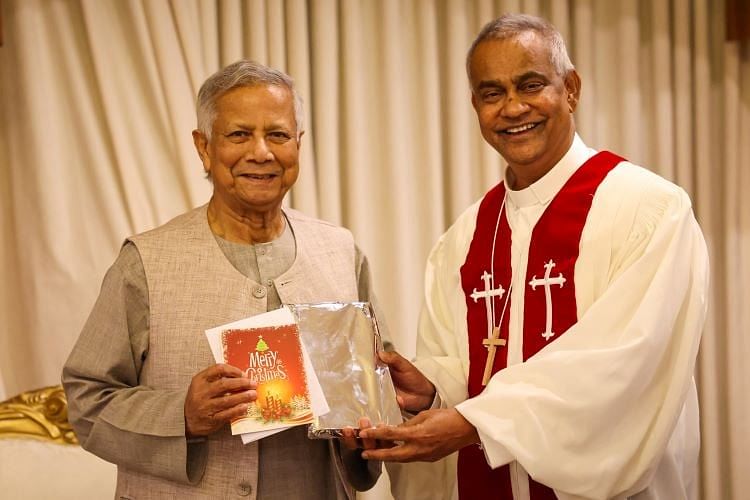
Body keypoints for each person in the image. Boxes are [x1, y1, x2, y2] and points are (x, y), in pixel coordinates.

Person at [359, 13, 709, 500]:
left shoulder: (648, 211)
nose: (512, 107)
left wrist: (472, 423)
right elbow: (470, 368)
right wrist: (432, 389)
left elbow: (619, 368)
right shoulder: (462, 240)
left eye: (531, 84)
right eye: (491, 93)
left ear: (571, 89)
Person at [62, 60, 381, 499]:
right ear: (204, 146)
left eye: (278, 134)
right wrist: (182, 415)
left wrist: (365, 428)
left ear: (298, 144)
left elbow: (372, 386)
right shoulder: (146, 262)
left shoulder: (341, 251)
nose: (262, 153)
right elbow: (86, 399)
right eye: (238, 134)